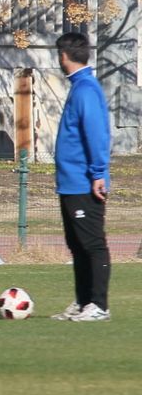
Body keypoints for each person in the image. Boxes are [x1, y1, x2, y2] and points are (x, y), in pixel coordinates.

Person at [52, 31, 112, 322]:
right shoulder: (79, 86)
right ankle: (83, 301)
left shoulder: (86, 88)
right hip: (69, 181)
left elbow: (97, 133)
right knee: (77, 245)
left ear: (63, 56)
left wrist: (99, 173)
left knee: (92, 244)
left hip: (84, 181)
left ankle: (99, 306)